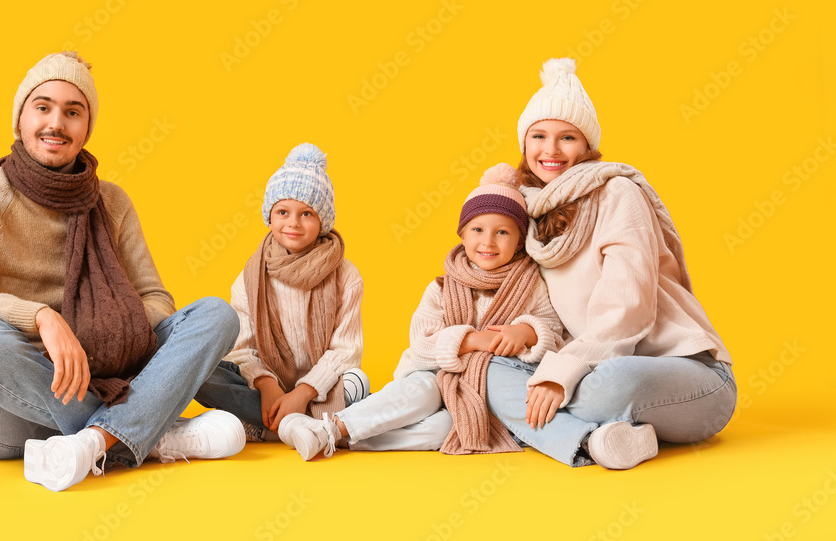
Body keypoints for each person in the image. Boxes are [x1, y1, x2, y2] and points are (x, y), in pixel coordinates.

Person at [0, 51, 245, 492]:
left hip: (100, 370)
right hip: (8, 411)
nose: (56, 123)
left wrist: (94, 334)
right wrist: (41, 318)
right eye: (43, 106)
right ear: (19, 119)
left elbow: (157, 302)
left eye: (73, 112)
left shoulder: (111, 202)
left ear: (86, 128)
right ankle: (147, 432)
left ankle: (99, 440)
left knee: (215, 315)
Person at [485, 57, 736, 469]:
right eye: (539, 136)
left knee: (609, 387)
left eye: (567, 137)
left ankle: (557, 425)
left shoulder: (617, 193)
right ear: (524, 144)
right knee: (490, 373)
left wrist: (561, 372)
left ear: (587, 147)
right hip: (596, 362)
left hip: (687, 374)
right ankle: (596, 442)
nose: (550, 150)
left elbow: (628, 310)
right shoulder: (528, 214)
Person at [278, 164, 565, 461]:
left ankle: (336, 437)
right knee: (427, 391)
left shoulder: (531, 285)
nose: (488, 242)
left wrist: (527, 331)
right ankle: (331, 427)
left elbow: (555, 333)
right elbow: (422, 346)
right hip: (428, 377)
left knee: (444, 430)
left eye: (502, 232)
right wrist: (472, 341)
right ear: (462, 235)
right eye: (477, 230)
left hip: (474, 396)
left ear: (519, 241)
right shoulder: (441, 287)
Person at [195, 143, 369, 445]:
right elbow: (241, 347)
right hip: (264, 387)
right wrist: (266, 385)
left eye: (307, 214)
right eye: (283, 211)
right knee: (202, 372)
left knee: (358, 382)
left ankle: (271, 427)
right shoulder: (250, 277)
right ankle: (299, 425)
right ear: (269, 215)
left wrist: (303, 392)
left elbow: (346, 351)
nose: (293, 223)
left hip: (322, 388)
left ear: (323, 221)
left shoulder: (346, 275)